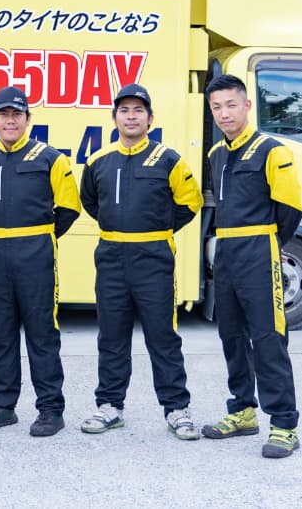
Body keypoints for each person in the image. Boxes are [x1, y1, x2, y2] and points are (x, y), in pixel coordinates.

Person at [78, 84, 204, 440]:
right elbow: (90, 201)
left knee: (162, 337)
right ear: (114, 117)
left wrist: (157, 227)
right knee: (111, 336)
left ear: (150, 118)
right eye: (124, 110)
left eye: (138, 110)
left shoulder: (168, 159)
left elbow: (190, 202)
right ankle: (110, 406)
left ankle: (177, 409)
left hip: (154, 259)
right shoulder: (99, 160)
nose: (131, 116)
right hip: (111, 258)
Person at [0, 86, 81, 437]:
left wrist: (38, 237)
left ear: (28, 119)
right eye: (3, 114)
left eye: (17, 114)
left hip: (36, 255)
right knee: (0, 333)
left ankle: (50, 409)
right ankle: (2, 407)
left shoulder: (51, 159)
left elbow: (69, 207)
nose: (10, 120)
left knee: (41, 333)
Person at [202, 74, 302, 458]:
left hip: (260, 250)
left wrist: (268, 245)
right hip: (226, 251)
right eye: (217, 107)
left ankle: (284, 425)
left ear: (247, 106)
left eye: (231, 105)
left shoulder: (272, 151)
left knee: (267, 338)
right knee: (231, 335)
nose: (224, 113)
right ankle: (243, 412)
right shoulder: (215, 155)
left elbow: (290, 209)